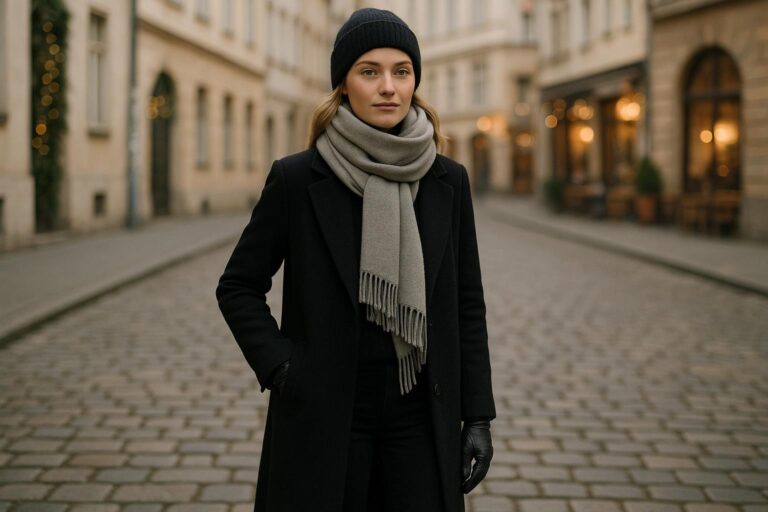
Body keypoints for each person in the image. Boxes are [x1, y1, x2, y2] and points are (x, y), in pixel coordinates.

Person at [216, 8, 495, 512]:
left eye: (401, 71)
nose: (388, 86)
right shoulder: (300, 179)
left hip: (420, 412)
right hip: (325, 414)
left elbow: (466, 303)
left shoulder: (446, 181)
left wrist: (477, 416)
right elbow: (238, 286)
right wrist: (284, 369)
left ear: (414, 81)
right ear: (344, 85)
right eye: (370, 71)